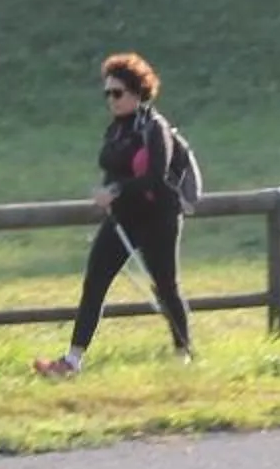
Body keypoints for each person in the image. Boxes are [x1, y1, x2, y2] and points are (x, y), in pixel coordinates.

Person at [35, 53, 194, 377]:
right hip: (123, 218)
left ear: (137, 92)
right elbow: (113, 168)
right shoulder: (116, 130)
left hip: (157, 218)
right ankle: (72, 361)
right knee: (94, 282)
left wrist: (116, 191)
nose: (112, 100)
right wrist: (108, 193)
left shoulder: (155, 128)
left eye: (117, 93)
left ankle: (183, 354)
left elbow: (154, 175)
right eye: (107, 93)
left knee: (165, 286)